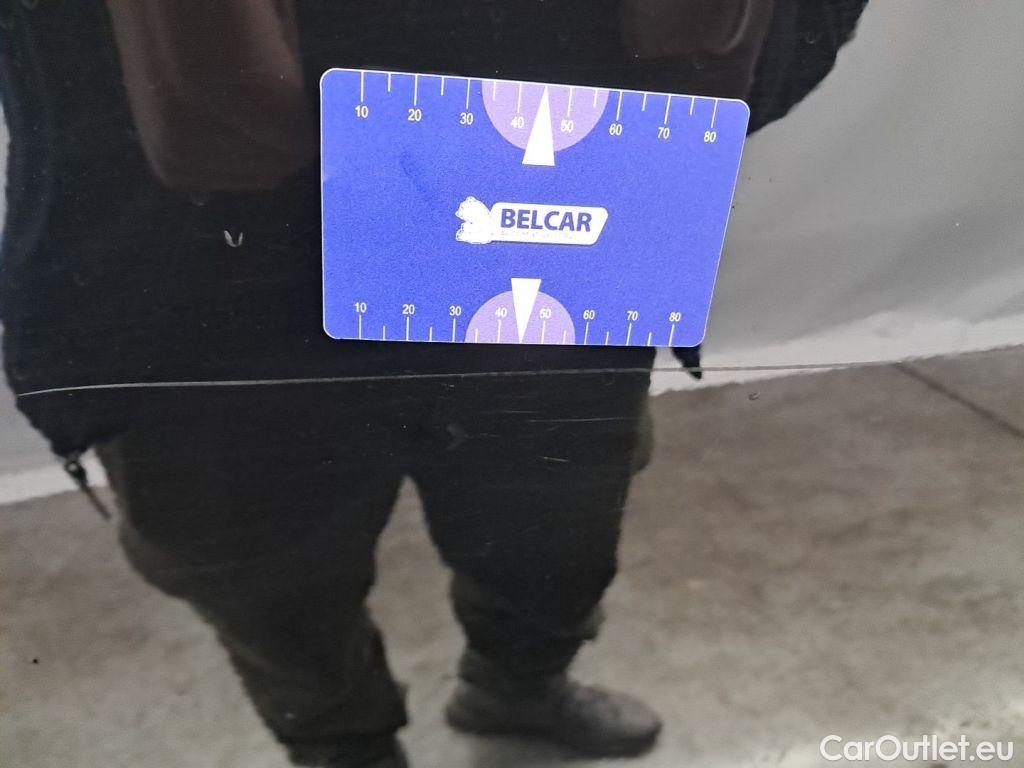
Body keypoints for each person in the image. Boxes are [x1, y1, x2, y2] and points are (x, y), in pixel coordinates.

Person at [0, 1, 867, 766]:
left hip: (545, 192)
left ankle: (516, 687)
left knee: (553, 530)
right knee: (263, 578)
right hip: (198, 258)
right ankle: (345, 750)